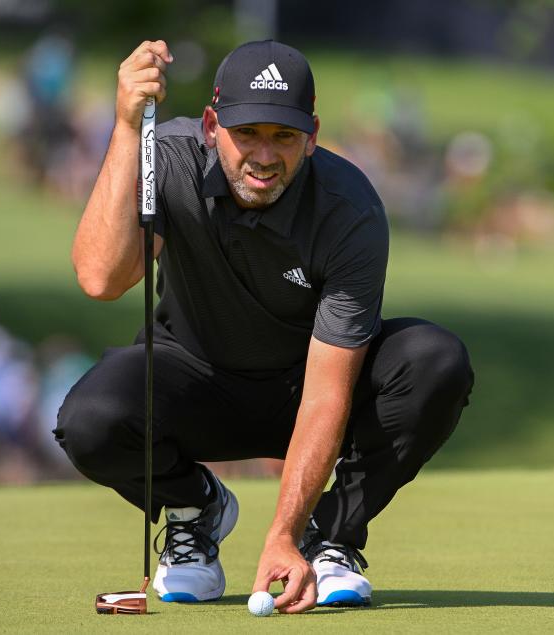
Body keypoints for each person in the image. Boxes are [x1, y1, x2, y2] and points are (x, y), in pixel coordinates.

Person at [55, 39, 473, 614]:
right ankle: (194, 508)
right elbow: (102, 277)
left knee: (435, 361)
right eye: (245, 132)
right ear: (210, 126)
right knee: (89, 421)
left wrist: (283, 531)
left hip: (307, 386)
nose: (264, 154)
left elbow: (328, 391)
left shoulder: (348, 208)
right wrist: (129, 128)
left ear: (312, 135)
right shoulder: (169, 158)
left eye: (283, 136)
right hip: (194, 379)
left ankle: (330, 539)